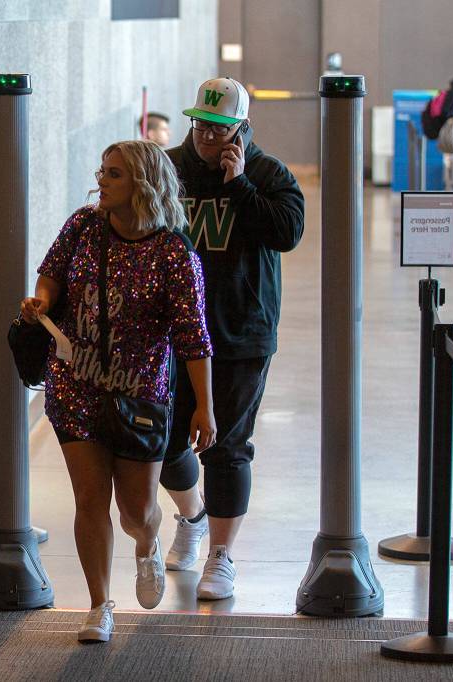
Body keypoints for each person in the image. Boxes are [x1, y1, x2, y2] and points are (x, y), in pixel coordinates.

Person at [20, 140, 216, 642]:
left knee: (135, 510)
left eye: (114, 174)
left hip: (139, 394)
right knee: (89, 499)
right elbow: (52, 273)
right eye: (101, 171)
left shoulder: (174, 252)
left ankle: (148, 543)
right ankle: (98, 605)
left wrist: (204, 409)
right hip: (75, 382)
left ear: (143, 184)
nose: (101, 181)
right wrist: (40, 301)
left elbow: (194, 337)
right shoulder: (83, 226)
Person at [159, 77, 305, 600]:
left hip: (241, 332)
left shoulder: (268, 173)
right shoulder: (170, 168)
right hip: (173, 333)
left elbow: (287, 233)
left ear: (240, 130)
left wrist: (239, 184)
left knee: (226, 447)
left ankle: (221, 556)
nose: (206, 136)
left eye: (219, 128)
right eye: (200, 124)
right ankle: (192, 517)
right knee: (162, 439)